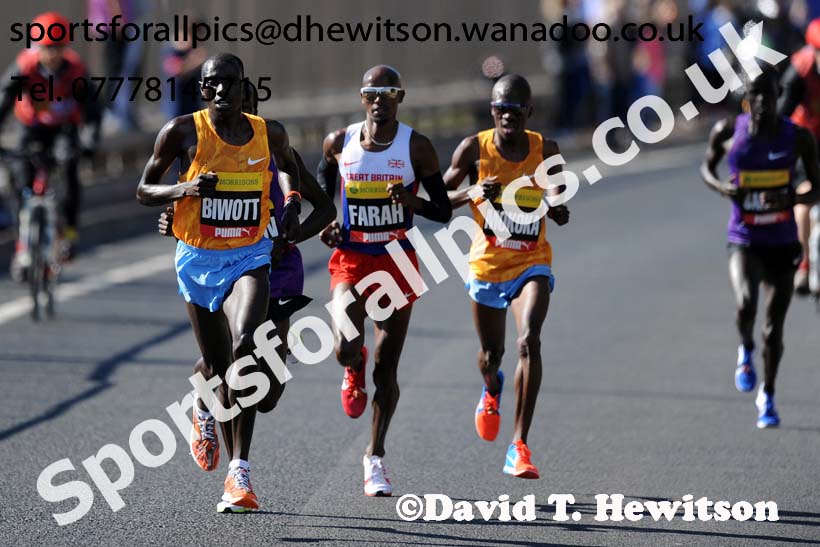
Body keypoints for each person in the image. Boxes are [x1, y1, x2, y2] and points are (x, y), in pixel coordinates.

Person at [137, 53, 301, 512]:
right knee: (215, 365)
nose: (222, 90)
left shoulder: (269, 132)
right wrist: (184, 190)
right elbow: (143, 190)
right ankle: (204, 405)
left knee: (245, 347)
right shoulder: (182, 132)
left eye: (231, 82)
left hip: (249, 256)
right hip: (197, 260)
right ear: (204, 89)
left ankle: (239, 473)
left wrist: (290, 200)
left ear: (243, 85)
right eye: (214, 84)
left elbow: (287, 164)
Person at [157, 80, 335, 408]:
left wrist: (290, 235)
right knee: (227, 368)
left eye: (246, 106)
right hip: (230, 271)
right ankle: (207, 405)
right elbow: (189, 209)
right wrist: (173, 225)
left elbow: (326, 208)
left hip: (278, 275)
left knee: (266, 398)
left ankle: (265, 355)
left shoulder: (277, 153)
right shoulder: (207, 152)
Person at [317, 65, 452, 496]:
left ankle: (374, 458)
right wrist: (331, 223)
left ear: (400, 97)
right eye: (372, 92)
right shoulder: (339, 143)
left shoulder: (419, 148)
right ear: (362, 97)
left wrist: (411, 200)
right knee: (344, 345)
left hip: (396, 262)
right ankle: (351, 368)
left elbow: (443, 210)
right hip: (352, 258)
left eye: (388, 92)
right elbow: (323, 190)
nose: (380, 99)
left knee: (388, 368)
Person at [443, 74, 569, 479]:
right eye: (501, 109)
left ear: (528, 112)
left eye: (516, 110)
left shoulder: (544, 148)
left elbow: (559, 193)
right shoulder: (474, 150)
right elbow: (437, 198)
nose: (507, 116)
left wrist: (558, 206)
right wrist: (473, 192)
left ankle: (519, 446)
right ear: (492, 110)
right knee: (491, 356)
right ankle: (491, 387)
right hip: (487, 266)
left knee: (529, 340)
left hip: (531, 261)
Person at [701, 69, 820, 428]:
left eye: (769, 96)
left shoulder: (796, 137)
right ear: (745, 100)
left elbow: (816, 186)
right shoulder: (727, 132)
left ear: (778, 97)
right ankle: (745, 350)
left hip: (782, 240)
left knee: (774, 329)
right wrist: (723, 188)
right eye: (756, 96)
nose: (763, 103)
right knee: (745, 304)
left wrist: (792, 195)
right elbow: (706, 168)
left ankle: (767, 394)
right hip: (744, 237)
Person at [0, 12, 101, 266]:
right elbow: (4, 100)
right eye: (46, 48)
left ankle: (69, 232)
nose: (52, 55)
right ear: (37, 47)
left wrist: (90, 141)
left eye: (57, 48)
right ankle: (23, 239)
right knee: (19, 172)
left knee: (69, 165)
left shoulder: (76, 70)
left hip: (63, 129)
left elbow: (92, 110)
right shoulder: (25, 66)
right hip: (30, 127)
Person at [778, 17, 820, 295]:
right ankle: (803, 262)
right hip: (803, 138)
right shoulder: (799, 70)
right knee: (805, 195)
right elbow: (781, 112)